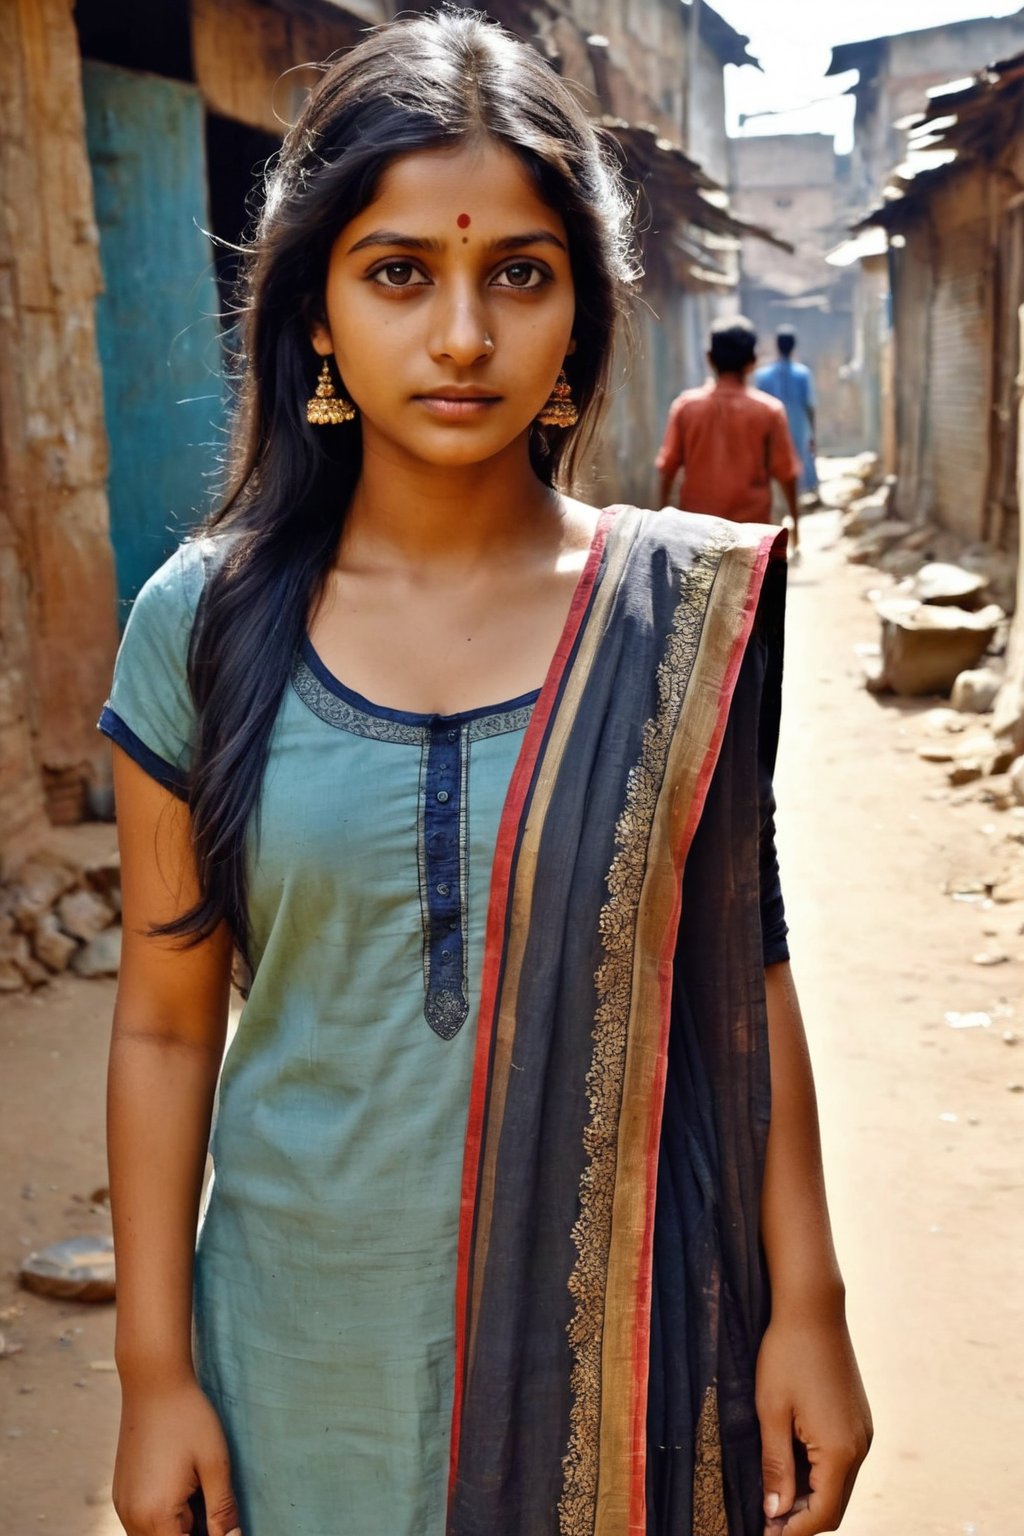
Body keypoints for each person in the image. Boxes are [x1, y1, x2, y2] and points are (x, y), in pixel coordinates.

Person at [101, 13, 871, 1536]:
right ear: (316, 311)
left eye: (518, 273)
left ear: (580, 309)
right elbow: (169, 1026)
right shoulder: (201, 620)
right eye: (401, 273)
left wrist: (813, 1308)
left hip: (623, 1359)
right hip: (293, 1357)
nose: (462, 335)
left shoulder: (678, 613)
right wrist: (150, 1376)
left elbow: (742, 975)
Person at [656, 317, 804, 553]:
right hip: (751, 536)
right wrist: (796, 523)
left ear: (709, 358)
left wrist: (660, 521)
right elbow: (787, 474)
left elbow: (667, 468)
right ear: (752, 362)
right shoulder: (768, 411)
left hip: (695, 535)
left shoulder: (686, 408)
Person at [755, 326, 819, 500]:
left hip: (773, 431)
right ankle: (798, 504)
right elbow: (809, 405)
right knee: (800, 464)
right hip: (799, 428)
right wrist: (812, 433)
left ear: (777, 345)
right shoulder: (803, 373)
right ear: (794, 346)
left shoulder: (762, 375)